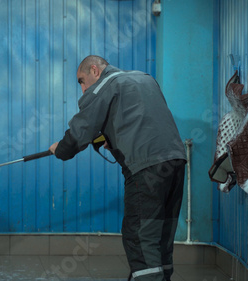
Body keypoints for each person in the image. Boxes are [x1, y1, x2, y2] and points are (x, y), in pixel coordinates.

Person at [49, 55, 187, 281]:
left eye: (81, 81)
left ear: (95, 70)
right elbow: (141, 121)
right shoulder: (144, 79)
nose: (83, 89)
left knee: (140, 238)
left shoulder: (105, 85)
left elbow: (79, 133)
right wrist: (112, 138)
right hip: (176, 162)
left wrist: (61, 149)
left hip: (146, 169)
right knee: (161, 235)